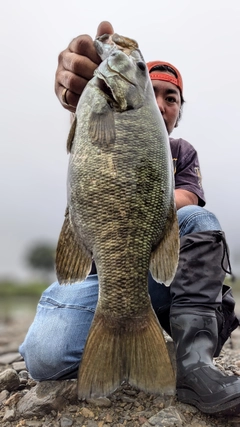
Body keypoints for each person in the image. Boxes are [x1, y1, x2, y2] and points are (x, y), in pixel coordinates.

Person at [19, 21, 240, 416]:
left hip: (166, 274)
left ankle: (194, 363)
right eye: (151, 89)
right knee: (44, 356)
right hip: (103, 276)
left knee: (198, 220)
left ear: (178, 109)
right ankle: (135, 337)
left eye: (171, 96)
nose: (160, 101)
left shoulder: (182, 152)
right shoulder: (99, 113)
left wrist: (131, 197)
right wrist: (78, 96)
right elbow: (83, 128)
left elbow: (185, 201)